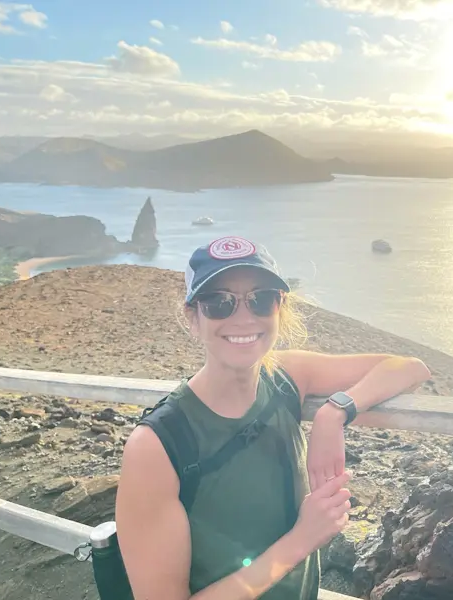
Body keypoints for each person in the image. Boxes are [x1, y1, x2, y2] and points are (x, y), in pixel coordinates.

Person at [114, 236, 431, 600]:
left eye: (261, 298)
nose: (244, 317)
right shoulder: (157, 445)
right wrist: (301, 540)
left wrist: (334, 412)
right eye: (219, 302)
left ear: (280, 308)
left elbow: (409, 368)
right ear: (193, 318)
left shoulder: (286, 378)